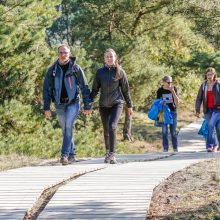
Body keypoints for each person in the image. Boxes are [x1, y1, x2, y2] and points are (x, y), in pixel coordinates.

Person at [43, 44, 92, 165]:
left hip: (73, 103)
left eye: (65, 52)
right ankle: (72, 154)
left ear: (69, 53)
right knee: (66, 129)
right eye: (61, 52)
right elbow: (46, 89)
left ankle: (64, 155)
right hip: (59, 104)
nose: (63, 54)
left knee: (68, 126)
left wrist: (87, 105)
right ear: (57, 53)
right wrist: (46, 107)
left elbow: (84, 87)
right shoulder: (52, 70)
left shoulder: (75, 68)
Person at [90, 48, 133, 164]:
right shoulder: (100, 72)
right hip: (103, 105)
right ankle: (108, 152)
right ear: (104, 59)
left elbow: (126, 90)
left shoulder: (120, 72)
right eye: (107, 57)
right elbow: (94, 89)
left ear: (115, 58)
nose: (109, 58)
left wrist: (130, 105)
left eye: (111, 56)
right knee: (106, 130)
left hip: (117, 103)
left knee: (112, 126)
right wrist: (88, 103)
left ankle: (113, 154)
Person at [195, 67, 220, 152]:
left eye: (211, 74)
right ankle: (211, 146)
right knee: (211, 127)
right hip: (207, 110)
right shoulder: (203, 85)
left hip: (217, 110)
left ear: (214, 75)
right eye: (208, 74)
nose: (209, 76)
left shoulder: (218, 84)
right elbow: (199, 98)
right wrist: (197, 110)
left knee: (213, 126)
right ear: (206, 75)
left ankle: (212, 145)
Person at [157, 76, 179, 152]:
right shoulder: (160, 90)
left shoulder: (174, 88)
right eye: (168, 82)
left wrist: (173, 91)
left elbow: (177, 102)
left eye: (171, 82)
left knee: (173, 131)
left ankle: (175, 148)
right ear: (164, 82)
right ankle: (165, 148)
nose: (170, 84)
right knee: (164, 131)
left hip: (173, 111)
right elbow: (157, 102)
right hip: (163, 112)